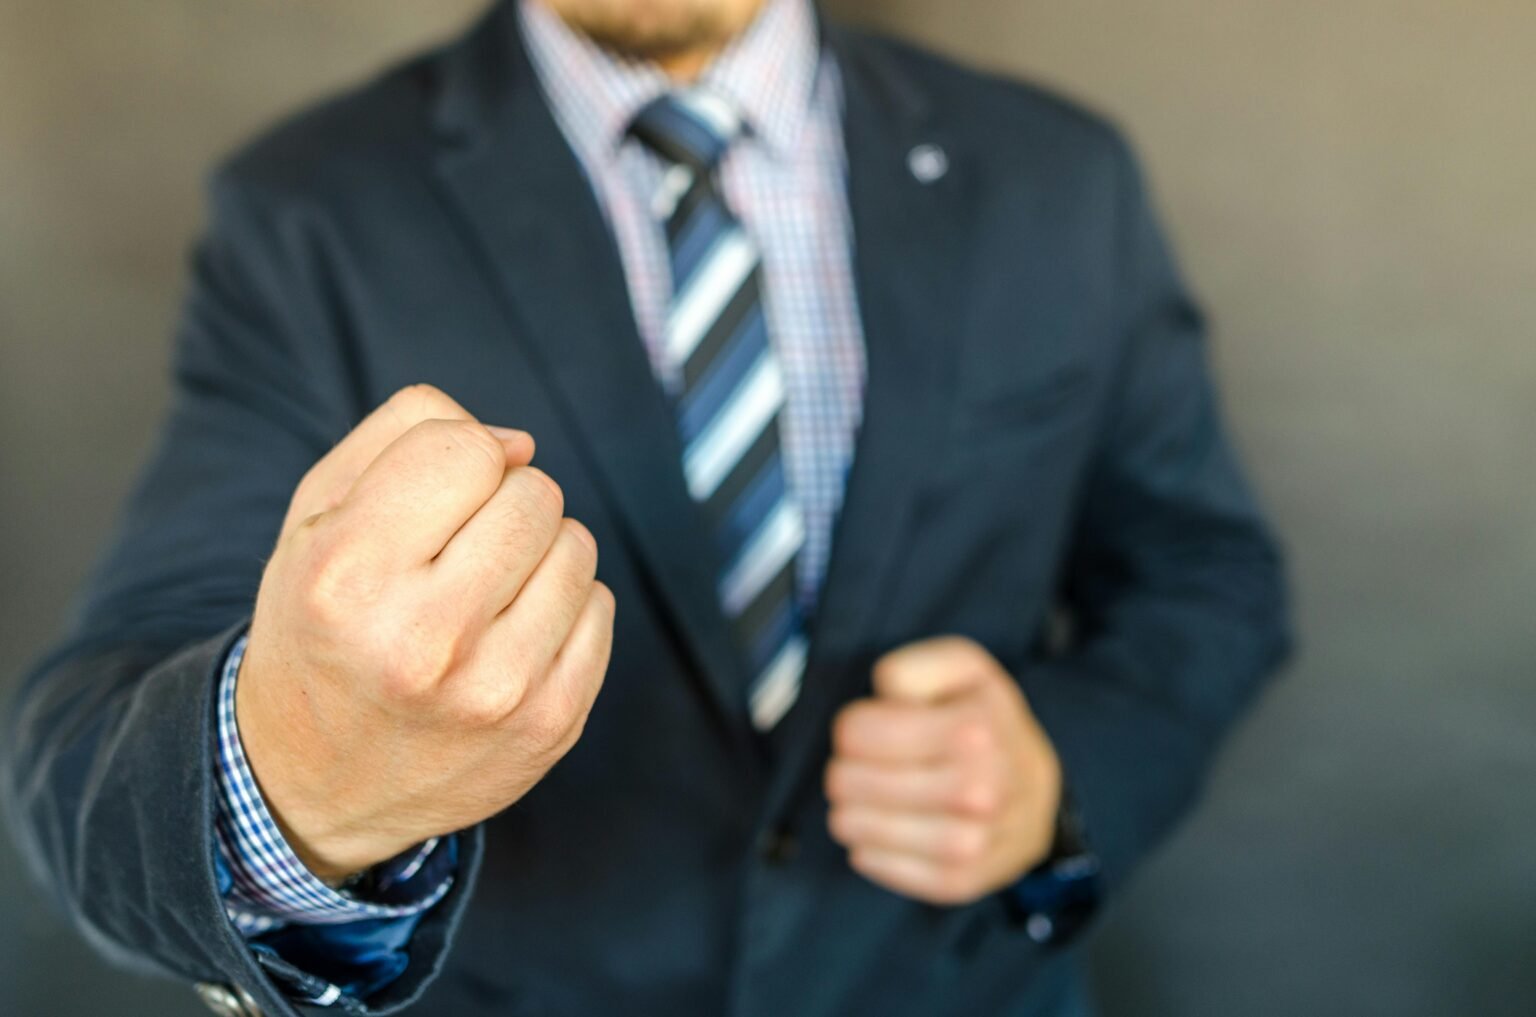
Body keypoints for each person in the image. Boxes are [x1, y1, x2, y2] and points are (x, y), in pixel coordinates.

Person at [1, 0, 1291, 1014]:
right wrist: (302, 786)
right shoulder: (310, 210)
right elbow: (90, 747)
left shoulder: (1059, 175)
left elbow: (1206, 575)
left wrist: (1059, 774)